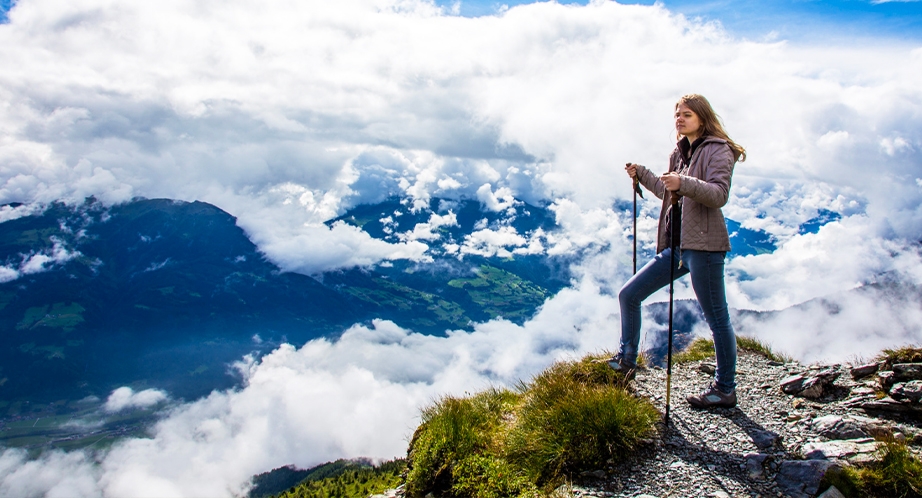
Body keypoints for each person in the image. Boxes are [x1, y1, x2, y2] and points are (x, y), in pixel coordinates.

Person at [610, 93, 746, 409]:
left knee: (716, 317)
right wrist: (643, 174)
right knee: (629, 295)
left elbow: (718, 195)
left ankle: (726, 389)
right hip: (677, 245)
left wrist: (682, 181)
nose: (679, 119)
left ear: (702, 117)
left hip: (705, 247)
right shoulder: (680, 152)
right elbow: (670, 191)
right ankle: (627, 359)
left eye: (686, 114)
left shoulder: (718, 150)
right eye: (677, 114)